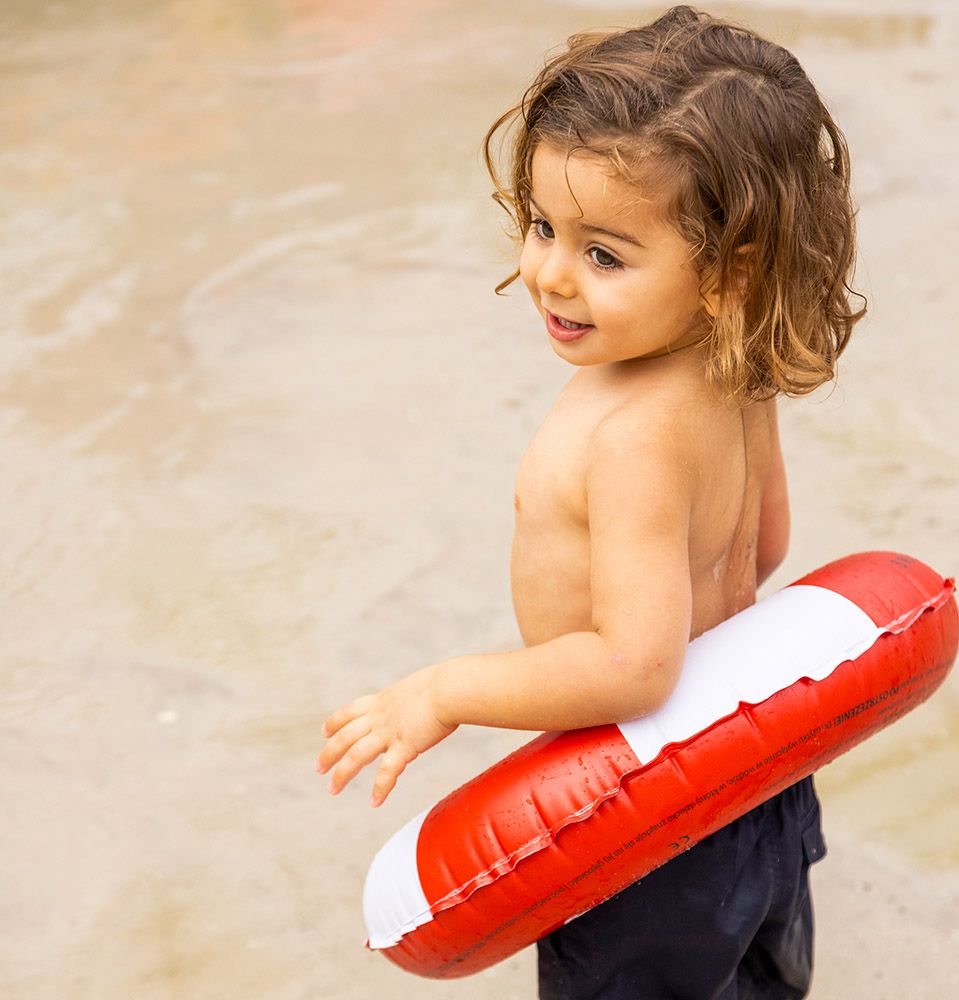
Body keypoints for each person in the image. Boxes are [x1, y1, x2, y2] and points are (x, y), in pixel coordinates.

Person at [316, 6, 866, 997]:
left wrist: (443, 692)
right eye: (540, 226)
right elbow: (765, 541)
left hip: (648, 834)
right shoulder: (732, 368)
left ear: (726, 271)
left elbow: (633, 666)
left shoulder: (626, 436)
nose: (549, 274)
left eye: (604, 254)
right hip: (755, 785)